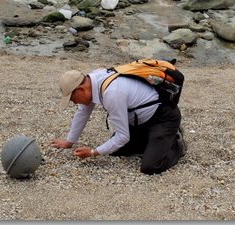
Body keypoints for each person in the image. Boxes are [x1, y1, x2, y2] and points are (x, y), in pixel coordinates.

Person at [51, 66, 186, 175]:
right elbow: (83, 111)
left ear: (81, 89)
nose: (74, 103)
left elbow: (123, 136)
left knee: (150, 166)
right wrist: (69, 141)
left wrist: (93, 152)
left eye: (72, 99)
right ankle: (153, 140)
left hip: (163, 117)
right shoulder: (93, 79)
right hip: (139, 121)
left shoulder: (112, 94)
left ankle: (177, 143)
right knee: (117, 151)